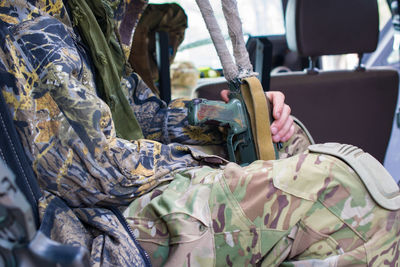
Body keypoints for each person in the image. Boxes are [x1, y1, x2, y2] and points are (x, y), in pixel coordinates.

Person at [0, 0, 398, 266]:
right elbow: (96, 172)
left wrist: (228, 117)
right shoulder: (31, 28)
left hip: (116, 196)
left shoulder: (79, 16)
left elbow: (138, 111)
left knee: (291, 143)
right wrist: (209, 163)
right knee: (341, 185)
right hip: (94, 224)